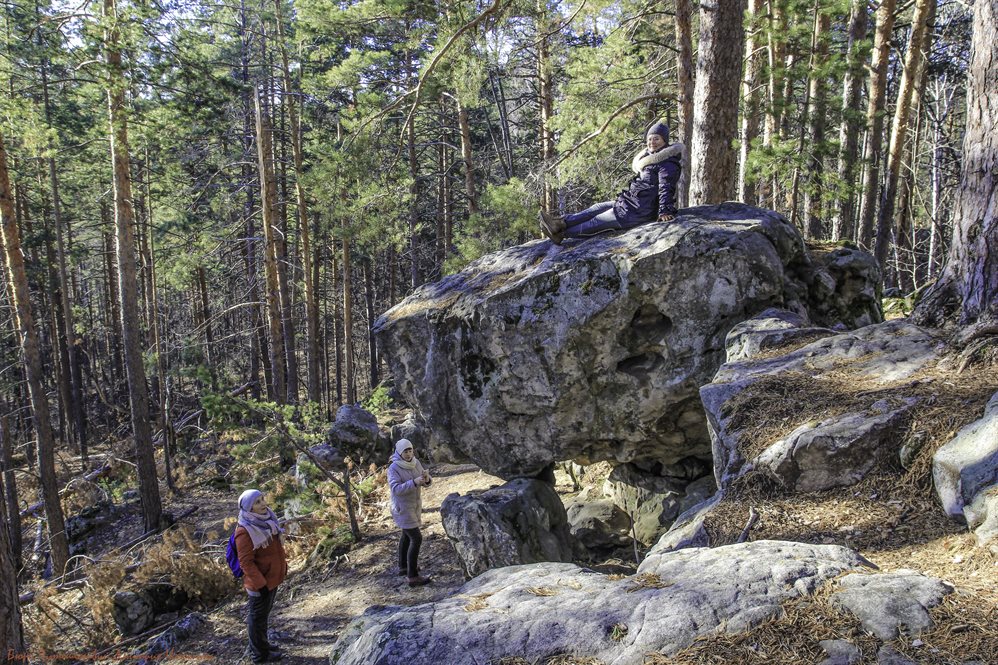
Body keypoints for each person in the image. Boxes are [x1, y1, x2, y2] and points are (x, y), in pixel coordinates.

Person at [539, 119, 683, 245]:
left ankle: (561, 234)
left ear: (665, 141)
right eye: (650, 139)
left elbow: (666, 187)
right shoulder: (651, 159)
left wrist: (664, 211)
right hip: (630, 203)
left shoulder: (667, 163)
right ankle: (559, 222)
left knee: (597, 221)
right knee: (596, 207)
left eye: (656, 139)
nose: (652, 142)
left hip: (639, 211)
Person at [235, 489, 288, 663]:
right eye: (257, 502)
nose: (263, 504)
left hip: (271, 579)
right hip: (260, 585)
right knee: (256, 620)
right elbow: (246, 563)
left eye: (262, 499)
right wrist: (261, 584)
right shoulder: (244, 531)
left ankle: (263, 645)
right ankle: (258, 655)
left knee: (262, 617)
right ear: (249, 508)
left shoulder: (268, 521)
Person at [388, 438, 433, 587]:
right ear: (399, 452)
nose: (408, 454)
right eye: (405, 451)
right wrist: (414, 482)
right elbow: (396, 489)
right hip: (402, 508)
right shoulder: (393, 468)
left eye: (410, 450)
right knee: (416, 538)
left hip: (413, 506)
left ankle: (403, 567)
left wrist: (426, 479)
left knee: (406, 536)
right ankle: (412, 576)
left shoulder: (415, 462)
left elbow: (423, 479)